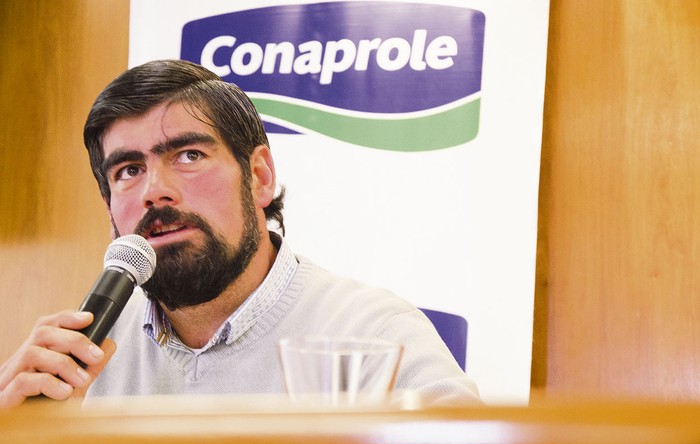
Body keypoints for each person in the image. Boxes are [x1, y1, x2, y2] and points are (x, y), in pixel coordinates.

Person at [0, 59, 480, 408]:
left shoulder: (371, 332)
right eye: (128, 169)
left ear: (260, 177)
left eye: (188, 155)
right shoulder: (79, 360)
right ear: (109, 209)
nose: (155, 191)